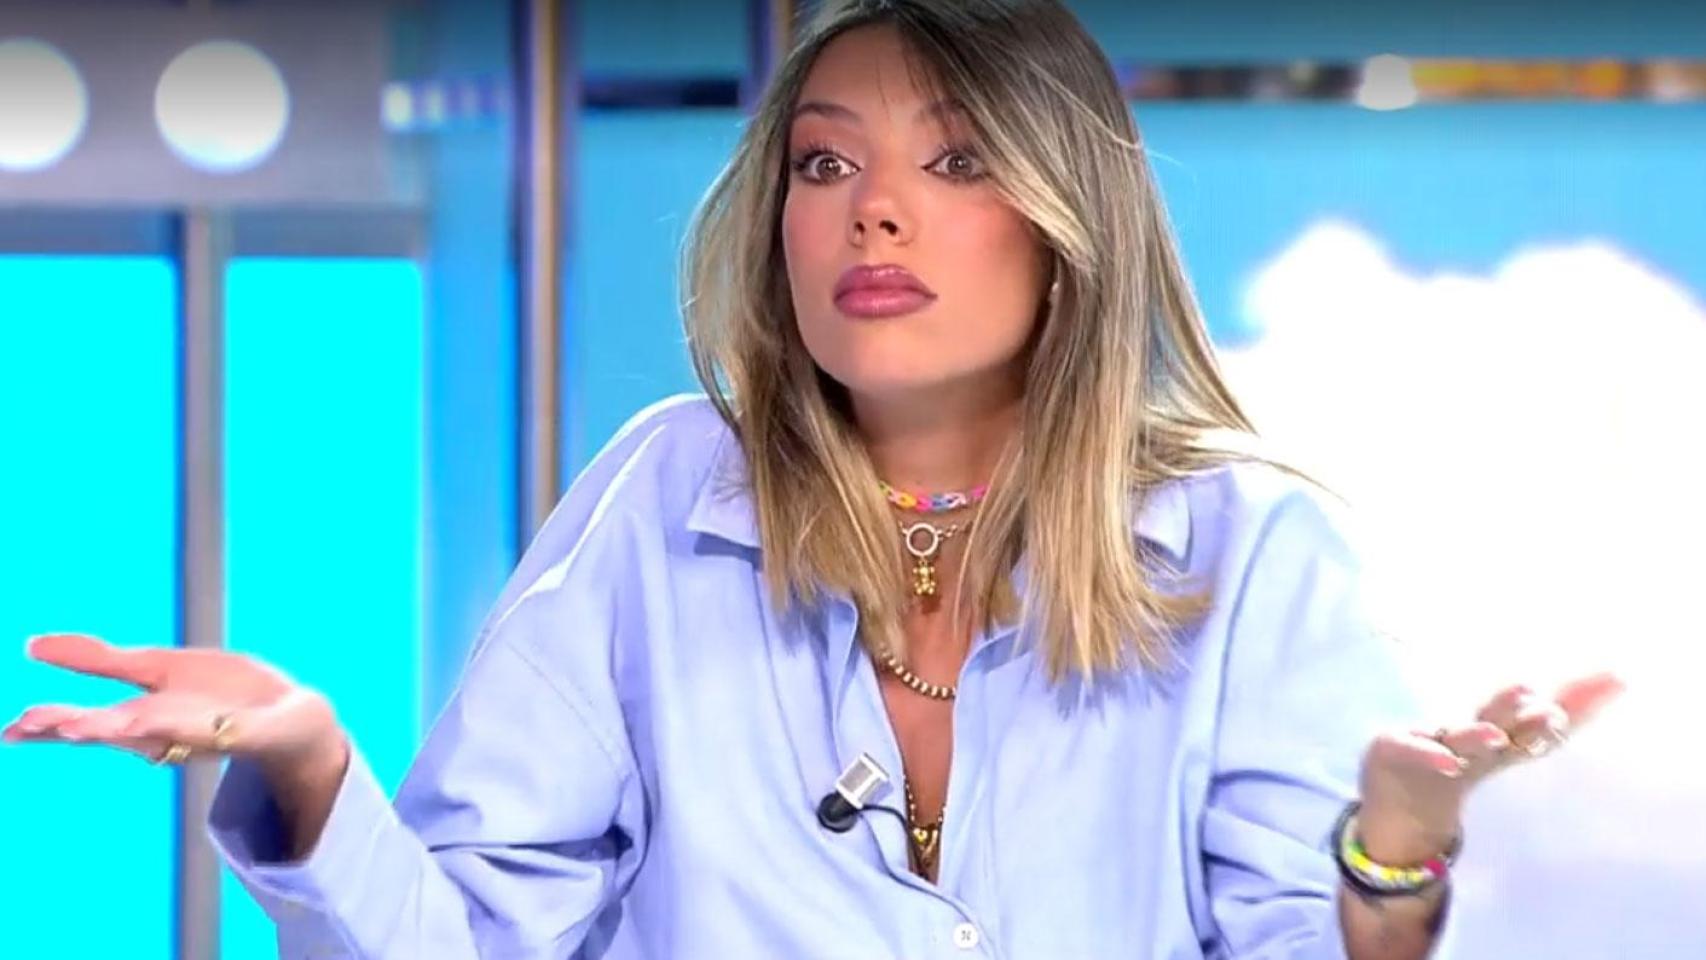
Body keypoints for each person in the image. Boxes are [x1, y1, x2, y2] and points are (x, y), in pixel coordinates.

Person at [3, 1, 1623, 958]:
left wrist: (1387, 852)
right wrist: (310, 764)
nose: (873, 211)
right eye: (825, 161)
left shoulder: (1248, 543)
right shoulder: (661, 497)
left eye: (955, 161)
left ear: (1069, 218)